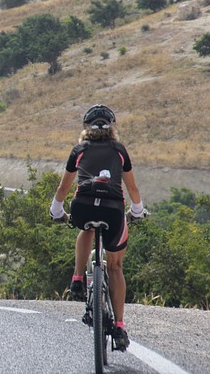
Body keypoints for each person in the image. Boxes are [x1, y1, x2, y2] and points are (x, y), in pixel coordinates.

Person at [49, 104, 145, 351]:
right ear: (111, 128)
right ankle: (120, 326)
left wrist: (56, 211)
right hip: (113, 211)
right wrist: (137, 211)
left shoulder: (79, 150)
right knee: (115, 266)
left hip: (83, 206)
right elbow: (132, 189)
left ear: (86, 129)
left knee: (86, 229)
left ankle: (78, 278)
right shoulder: (119, 151)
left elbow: (63, 188)